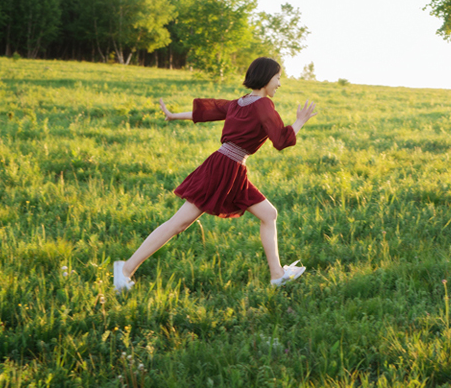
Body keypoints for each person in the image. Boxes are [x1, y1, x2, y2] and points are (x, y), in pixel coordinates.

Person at [113, 57, 317, 293]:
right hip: (222, 170)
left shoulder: (239, 103)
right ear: (266, 77)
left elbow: (206, 112)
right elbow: (280, 140)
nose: (279, 84)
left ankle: (277, 275)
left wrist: (174, 115)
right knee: (178, 223)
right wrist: (299, 122)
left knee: (269, 214)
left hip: (231, 169)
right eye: (277, 78)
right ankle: (125, 269)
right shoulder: (263, 105)